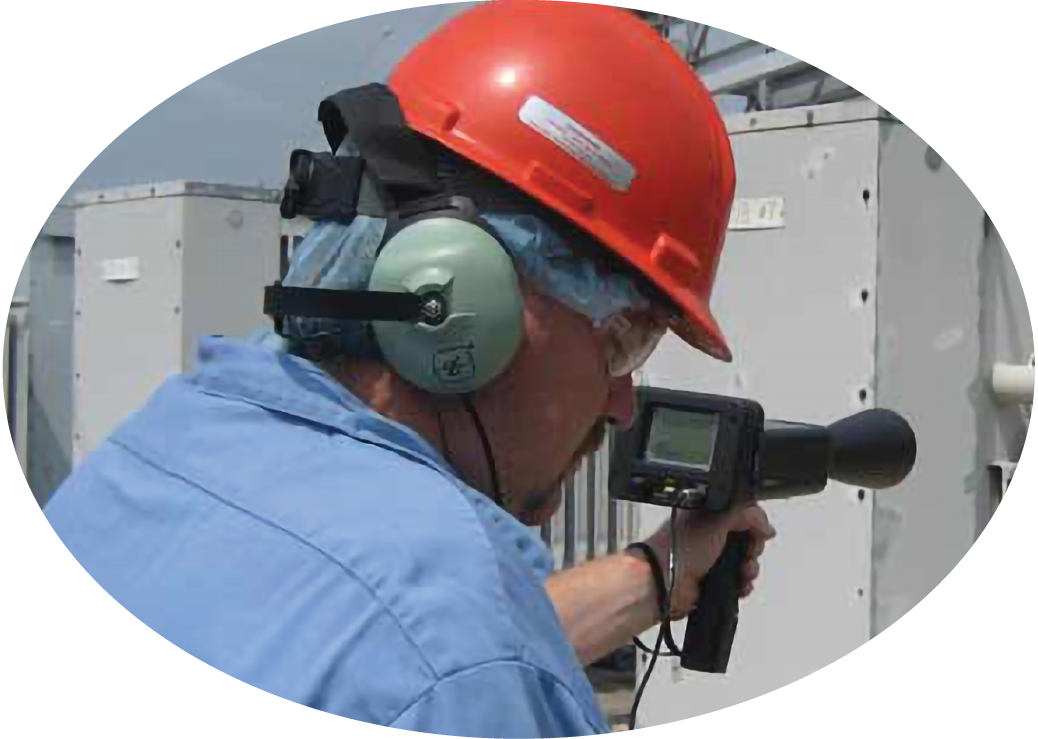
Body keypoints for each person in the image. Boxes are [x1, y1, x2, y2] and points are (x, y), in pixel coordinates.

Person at [45, 1, 775, 736]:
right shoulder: (461, 645)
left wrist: (651, 573)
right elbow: (458, 666)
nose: (622, 403)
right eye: (625, 340)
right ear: (457, 298)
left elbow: (391, 652)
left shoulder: (160, 447)